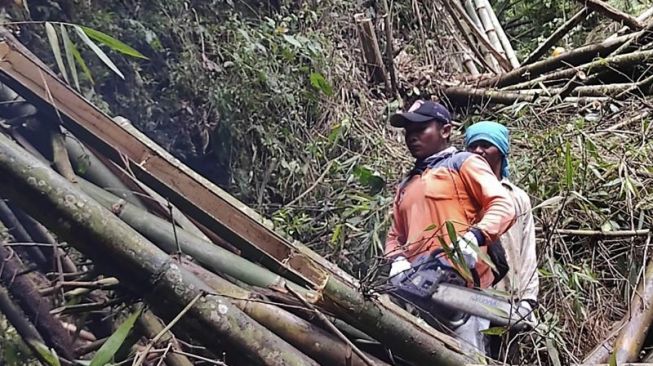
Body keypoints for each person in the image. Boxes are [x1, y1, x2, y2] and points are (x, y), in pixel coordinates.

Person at [385, 100, 516, 356]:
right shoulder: (406, 185)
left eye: (420, 129)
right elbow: (394, 235)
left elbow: (502, 204)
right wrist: (397, 260)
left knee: (466, 356)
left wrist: (474, 238)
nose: (412, 136)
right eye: (408, 131)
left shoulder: (463, 163)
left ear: (445, 130)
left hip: (462, 289)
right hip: (417, 289)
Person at [464, 121, 539, 310]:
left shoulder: (517, 197)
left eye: (486, 145)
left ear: (501, 150)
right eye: (472, 146)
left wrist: (529, 297)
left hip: (508, 294)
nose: (478, 151)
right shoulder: (461, 191)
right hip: (466, 293)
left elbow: (527, 249)